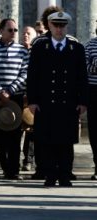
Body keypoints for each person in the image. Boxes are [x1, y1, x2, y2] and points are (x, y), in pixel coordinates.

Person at [27, 12, 88, 187]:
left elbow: (81, 77)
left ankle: (65, 174)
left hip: (68, 103)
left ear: (66, 27)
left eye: (62, 25)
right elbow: (32, 76)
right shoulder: (40, 47)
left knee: (66, 142)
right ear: (49, 26)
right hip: (46, 103)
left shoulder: (76, 48)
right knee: (47, 141)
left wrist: (83, 101)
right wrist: (32, 100)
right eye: (56, 25)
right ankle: (50, 174)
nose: (59, 29)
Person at [0, 18, 29, 180]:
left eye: (15, 30)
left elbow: (25, 73)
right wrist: (0, 91)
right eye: (10, 30)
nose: (13, 33)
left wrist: (11, 90)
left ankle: (13, 170)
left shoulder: (22, 50)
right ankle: (1, 167)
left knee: (15, 135)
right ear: (1, 30)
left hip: (15, 96)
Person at [20, 25, 37, 172]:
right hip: (17, 95)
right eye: (24, 33)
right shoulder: (17, 51)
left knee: (31, 129)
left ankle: (29, 159)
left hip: (31, 96)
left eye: (29, 34)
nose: (25, 35)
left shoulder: (36, 53)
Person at [84, 20, 97, 181]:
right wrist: (95, 66)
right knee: (95, 131)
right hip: (94, 92)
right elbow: (84, 68)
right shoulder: (89, 45)